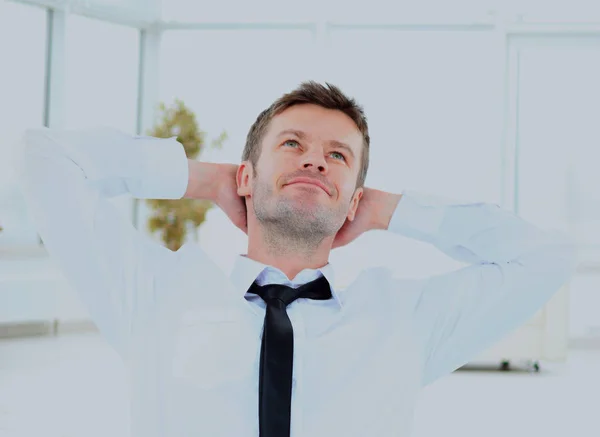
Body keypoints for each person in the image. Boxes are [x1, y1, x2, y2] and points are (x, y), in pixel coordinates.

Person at [18, 81, 577, 437]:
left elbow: (546, 257)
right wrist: (204, 179)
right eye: (292, 145)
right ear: (246, 175)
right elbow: (45, 158)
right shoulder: (151, 292)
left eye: (338, 156)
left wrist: (391, 211)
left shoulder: (405, 319)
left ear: (356, 198)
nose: (315, 161)